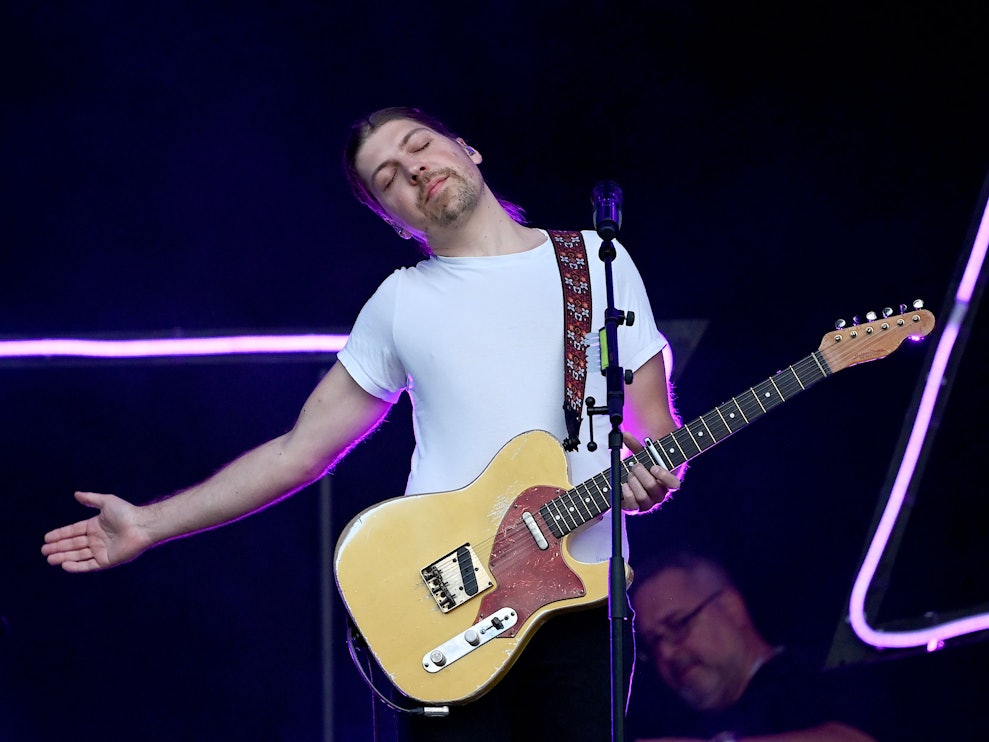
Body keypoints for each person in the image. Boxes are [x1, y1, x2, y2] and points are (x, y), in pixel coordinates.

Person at [42, 106, 683, 741]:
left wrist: (652, 475)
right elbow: (299, 452)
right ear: (394, 220)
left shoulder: (599, 263)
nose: (414, 170)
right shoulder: (400, 302)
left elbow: (655, 433)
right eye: (388, 177)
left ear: (467, 148)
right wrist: (149, 523)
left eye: (419, 145)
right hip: (448, 605)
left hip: (584, 604)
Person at [628, 550, 877, 742]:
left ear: (730, 607)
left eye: (678, 624)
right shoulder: (678, 721)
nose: (666, 653)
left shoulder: (822, 675)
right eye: (653, 642)